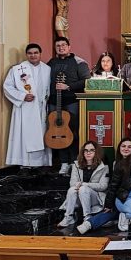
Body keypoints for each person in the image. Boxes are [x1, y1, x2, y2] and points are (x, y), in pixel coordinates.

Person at [47, 37, 91, 175]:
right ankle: (64, 162)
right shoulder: (51, 63)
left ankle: (74, 162)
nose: (61, 48)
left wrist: (68, 86)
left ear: (69, 46)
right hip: (54, 102)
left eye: (63, 45)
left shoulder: (79, 62)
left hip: (72, 102)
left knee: (72, 132)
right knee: (57, 132)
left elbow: (87, 81)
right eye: (58, 46)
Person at [4, 43, 51, 167]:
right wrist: (22, 96)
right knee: (25, 136)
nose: (33, 55)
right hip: (25, 108)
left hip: (41, 109)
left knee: (41, 134)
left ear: (40, 54)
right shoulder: (17, 69)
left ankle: (41, 163)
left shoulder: (47, 69)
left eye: (36, 53)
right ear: (26, 55)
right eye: (30, 53)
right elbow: (7, 87)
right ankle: (24, 163)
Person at [77, 138, 131, 234]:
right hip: (120, 195)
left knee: (116, 209)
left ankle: (91, 223)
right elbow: (113, 185)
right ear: (119, 148)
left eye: (129, 147)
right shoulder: (116, 163)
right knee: (110, 210)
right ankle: (89, 223)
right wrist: (110, 202)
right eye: (123, 146)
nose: (126, 149)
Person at [58, 141, 110, 228]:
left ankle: (87, 217)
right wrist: (78, 185)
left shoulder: (103, 167)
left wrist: (85, 184)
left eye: (91, 150)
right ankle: (68, 217)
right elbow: (72, 183)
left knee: (83, 188)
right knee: (72, 189)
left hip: (96, 198)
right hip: (79, 196)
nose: (88, 153)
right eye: (86, 150)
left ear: (96, 152)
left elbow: (103, 186)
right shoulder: (76, 165)